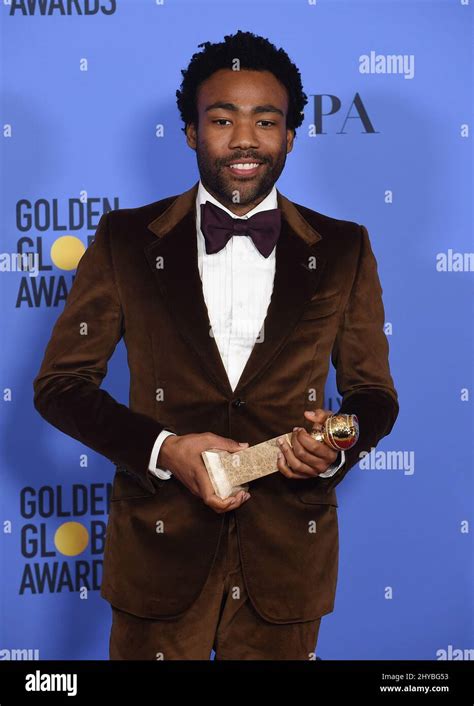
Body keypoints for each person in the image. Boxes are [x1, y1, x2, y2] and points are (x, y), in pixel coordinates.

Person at [33, 30, 399, 660]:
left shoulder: (344, 248)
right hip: (157, 552)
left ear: (289, 135)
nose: (244, 140)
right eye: (222, 119)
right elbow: (60, 387)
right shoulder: (125, 239)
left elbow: (374, 396)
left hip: (287, 559)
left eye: (266, 120)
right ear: (191, 133)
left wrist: (335, 443)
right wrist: (164, 449)